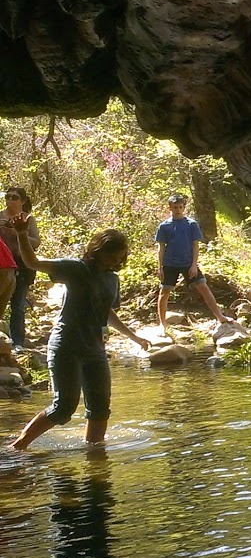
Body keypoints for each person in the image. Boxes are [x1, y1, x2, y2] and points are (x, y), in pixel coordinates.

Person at [7, 224, 151, 450]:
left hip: (95, 349)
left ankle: (94, 456)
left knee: (100, 407)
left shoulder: (112, 279)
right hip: (66, 346)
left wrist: (135, 337)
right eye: (110, 255)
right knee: (64, 407)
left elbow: (106, 311)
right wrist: (23, 235)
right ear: (97, 249)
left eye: (119, 257)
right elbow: (33, 263)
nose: (114, 261)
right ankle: (17, 448)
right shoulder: (76, 268)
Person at [154, 193, 232, 333]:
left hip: (188, 262)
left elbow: (195, 245)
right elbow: (161, 248)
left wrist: (194, 264)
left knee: (203, 286)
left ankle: (220, 316)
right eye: (175, 207)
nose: (178, 210)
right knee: (164, 292)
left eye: (180, 207)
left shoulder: (191, 224)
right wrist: (160, 267)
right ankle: (162, 324)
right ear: (169, 208)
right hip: (170, 263)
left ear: (184, 208)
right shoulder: (164, 226)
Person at [1, 187, 40, 348]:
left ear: (22, 201)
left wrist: (18, 232)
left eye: (14, 197)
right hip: (3, 265)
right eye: (7, 196)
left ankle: (18, 342)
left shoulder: (28, 219)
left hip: (23, 264)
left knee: (18, 304)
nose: (10, 200)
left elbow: (36, 242)